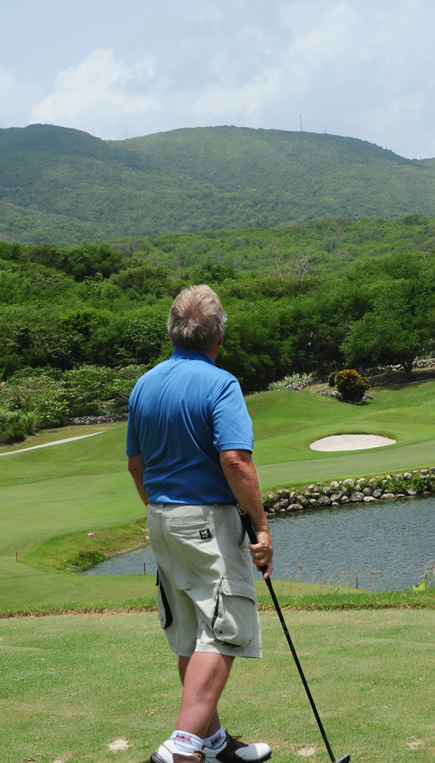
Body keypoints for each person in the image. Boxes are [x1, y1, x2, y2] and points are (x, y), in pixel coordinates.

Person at [126, 284, 273, 763]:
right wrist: (261, 528)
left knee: (192, 631)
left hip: (160, 517)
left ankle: (213, 743)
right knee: (226, 629)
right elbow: (235, 460)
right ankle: (184, 744)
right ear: (218, 337)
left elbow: (136, 465)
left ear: (173, 332)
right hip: (207, 521)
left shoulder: (144, 384)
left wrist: (163, 513)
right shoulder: (221, 383)